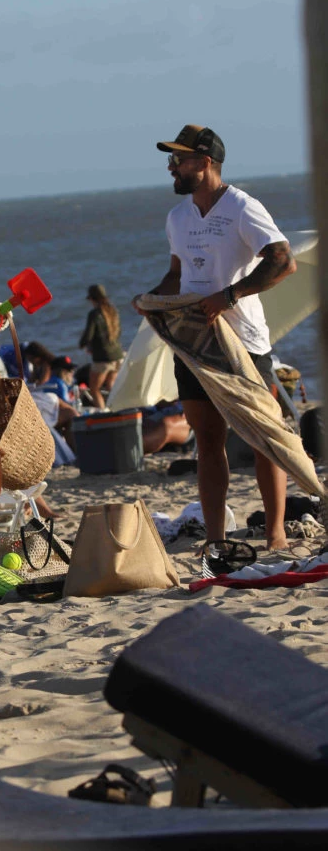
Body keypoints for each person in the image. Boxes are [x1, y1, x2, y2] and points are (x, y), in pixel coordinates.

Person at [133, 123, 296, 549]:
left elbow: (282, 260)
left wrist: (230, 295)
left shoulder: (242, 207)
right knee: (206, 440)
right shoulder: (178, 217)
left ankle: (276, 534)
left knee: (264, 437)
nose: (172, 168)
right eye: (171, 160)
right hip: (195, 344)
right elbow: (176, 274)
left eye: (179, 159)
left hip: (244, 344)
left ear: (205, 163)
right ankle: (216, 538)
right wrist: (152, 299)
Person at [79, 285, 123, 408]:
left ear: (92, 299)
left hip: (103, 358)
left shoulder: (94, 314)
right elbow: (118, 332)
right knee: (111, 385)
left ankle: (104, 413)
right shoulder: (113, 311)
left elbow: (89, 335)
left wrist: (83, 344)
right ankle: (118, 409)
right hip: (118, 355)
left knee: (94, 389)